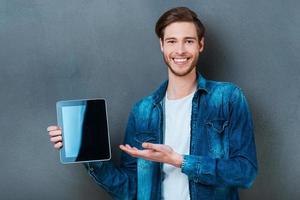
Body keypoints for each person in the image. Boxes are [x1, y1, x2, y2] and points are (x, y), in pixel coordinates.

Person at [47, 7, 257, 200]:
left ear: (201, 45)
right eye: (172, 41)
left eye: (189, 41)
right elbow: (130, 190)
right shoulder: (143, 112)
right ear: (162, 45)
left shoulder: (227, 98)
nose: (180, 50)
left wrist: (179, 160)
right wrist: (85, 151)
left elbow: (245, 173)